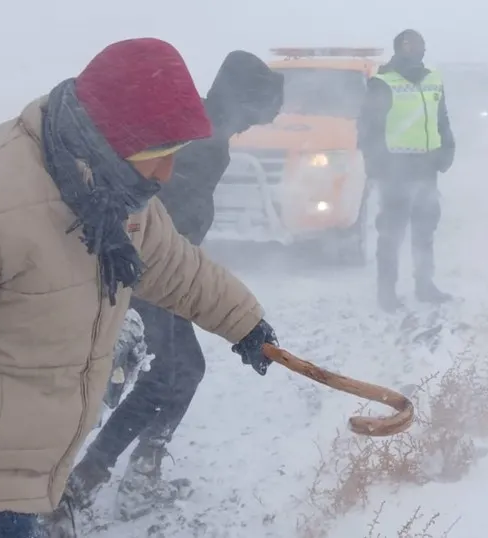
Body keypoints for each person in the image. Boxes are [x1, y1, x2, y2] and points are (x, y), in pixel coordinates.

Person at [0, 38, 279, 538]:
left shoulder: (114, 189)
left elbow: (175, 265)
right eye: (156, 155)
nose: (166, 174)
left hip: (19, 476)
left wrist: (245, 322)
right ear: (106, 135)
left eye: (174, 154)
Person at [51, 50, 284, 527]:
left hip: (157, 271)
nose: (254, 126)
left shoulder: (207, 128)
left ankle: (135, 473)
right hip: (146, 273)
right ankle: (79, 486)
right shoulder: (203, 138)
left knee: (182, 372)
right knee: (161, 376)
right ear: (246, 102)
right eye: (259, 114)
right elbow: (156, 212)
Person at [357, 29, 457, 312]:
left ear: (424, 49)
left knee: (425, 229)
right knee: (391, 232)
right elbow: (367, 128)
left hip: (426, 167)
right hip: (394, 169)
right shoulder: (382, 82)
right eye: (407, 45)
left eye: (418, 45)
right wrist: (375, 166)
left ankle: (425, 285)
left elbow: (442, 119)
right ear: (398, 48)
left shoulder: (433, 79)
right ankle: (386, 292)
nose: (413, 50)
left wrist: (448, 148)